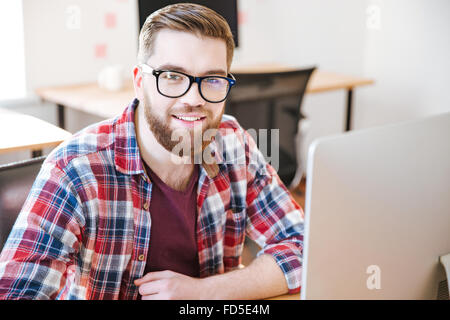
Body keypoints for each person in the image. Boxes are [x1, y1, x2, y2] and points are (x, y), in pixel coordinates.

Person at [0, 3, 304, 300]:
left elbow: (303, 244)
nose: (194, 98)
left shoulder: (232, 142)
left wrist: (203, 293)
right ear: (139, 82)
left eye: (212, 79)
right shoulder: (75, 170)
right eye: (172, 76)